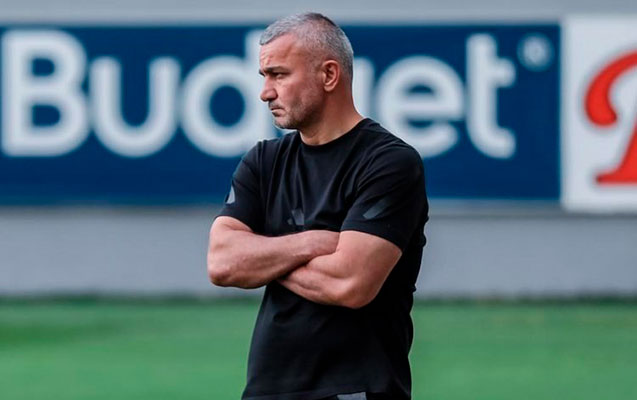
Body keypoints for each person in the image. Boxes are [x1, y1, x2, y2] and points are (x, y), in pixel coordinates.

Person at [207, 12, 428, 400]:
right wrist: (311, 243)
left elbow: (350, 283)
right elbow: (223, 263)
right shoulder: (263, 162)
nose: (265, 93)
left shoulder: (389, 163)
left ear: (328, 75)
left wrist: (264, 256)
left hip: (356, 391)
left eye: (279, 75)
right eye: (264, 77)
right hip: (267, 392)